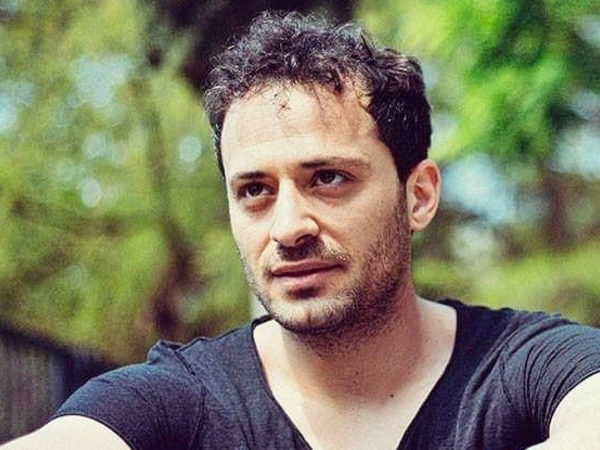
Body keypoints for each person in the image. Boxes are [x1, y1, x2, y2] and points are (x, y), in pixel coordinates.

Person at [3, 10, 600, 450]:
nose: (288, 227)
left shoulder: (523, 366)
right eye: (254, 190)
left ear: (418, 196)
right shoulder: (180, 400)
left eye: (329, 178)